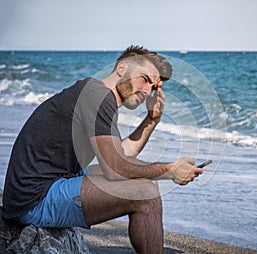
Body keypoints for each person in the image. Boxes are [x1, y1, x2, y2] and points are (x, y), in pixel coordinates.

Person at [2, 45, 203, 253]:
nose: (146, 90)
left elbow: (121, 155)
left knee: (142, 179)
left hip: (44, 185)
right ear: (122, 68)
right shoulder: (98, 96)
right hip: (35, 199)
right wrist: (170, 171)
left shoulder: (95, 93)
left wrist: (151, 120)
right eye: (144, 79)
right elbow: (115, 169)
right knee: (146, 194)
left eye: (153, 87)